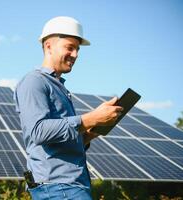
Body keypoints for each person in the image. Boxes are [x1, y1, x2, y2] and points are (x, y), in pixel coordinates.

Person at [14, 16, 123, 200]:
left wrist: (88, 134)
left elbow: (57, 142)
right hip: (58, 189)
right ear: (48, 46)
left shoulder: (59, 87)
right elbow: (38, 131)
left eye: (77, 49)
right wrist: (91, 118)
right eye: (70, 47)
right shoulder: (34, 81)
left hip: (70, 187)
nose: (75, 54)